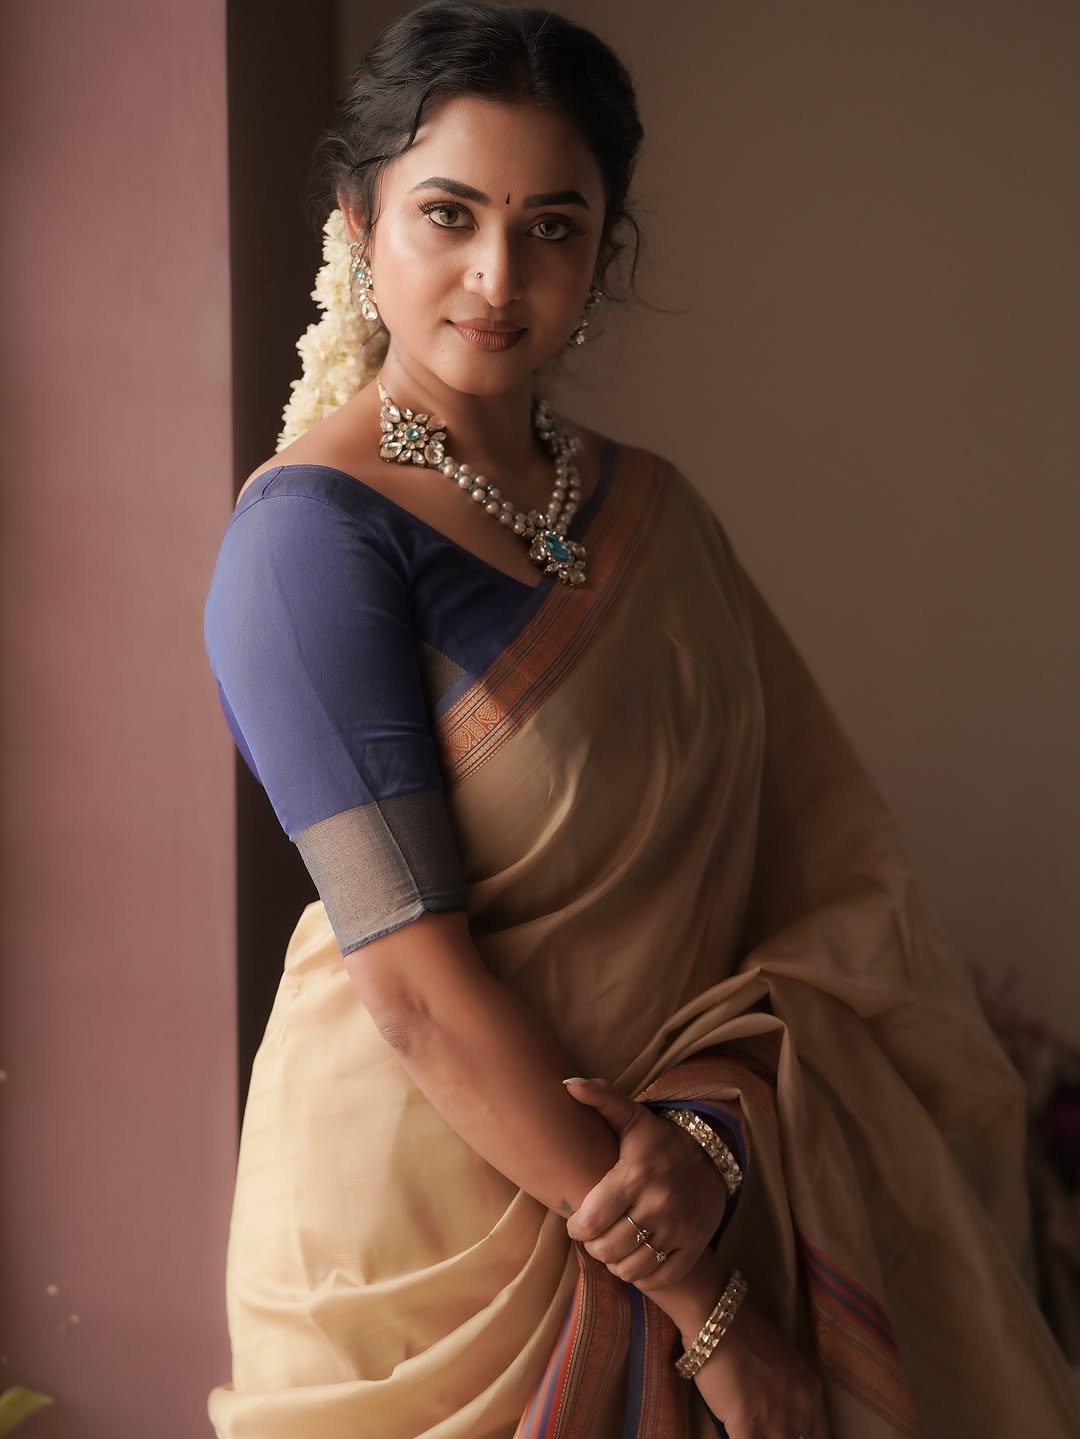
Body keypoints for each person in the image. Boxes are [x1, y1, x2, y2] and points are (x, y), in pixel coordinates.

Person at [202, 5, 1080, 1436]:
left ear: (604, 254)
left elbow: (808, 883)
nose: (498, 274)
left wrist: (714, 1132)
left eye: (553, 225)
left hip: (683, 1176)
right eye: (448, 213)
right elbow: (415, 998)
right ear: (358, 222)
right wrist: (713, 1311)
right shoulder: (310, 544)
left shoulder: (654, 515)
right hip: (427, 1259)